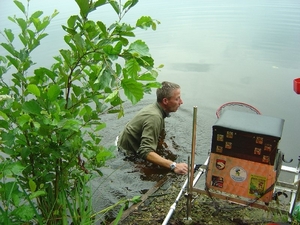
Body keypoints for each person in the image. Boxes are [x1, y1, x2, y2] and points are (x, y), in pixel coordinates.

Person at [117, 81, 188, 175]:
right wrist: (174, 165)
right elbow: (145, 151)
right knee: (155, 174)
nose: (181, 102)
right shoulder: (154, 117)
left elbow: (158, 136)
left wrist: (167, 147)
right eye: (177, 99)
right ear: (165, 101)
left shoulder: (157, 109)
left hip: (129, 142)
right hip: (127, 152)